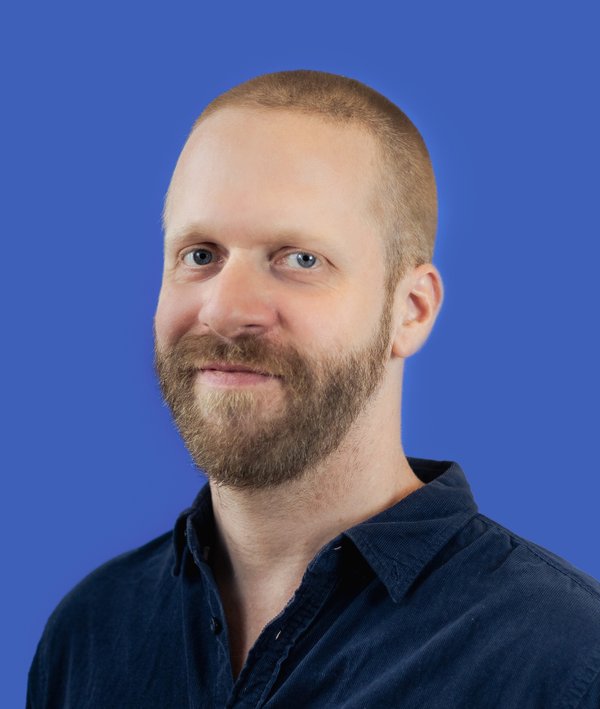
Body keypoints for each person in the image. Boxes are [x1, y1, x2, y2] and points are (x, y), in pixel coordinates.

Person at [27, 69, 600, 708]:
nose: (225, 310)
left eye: (300, 259)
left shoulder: (567, 659)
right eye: (200, 254)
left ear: (411, 310)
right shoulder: (91, 632)